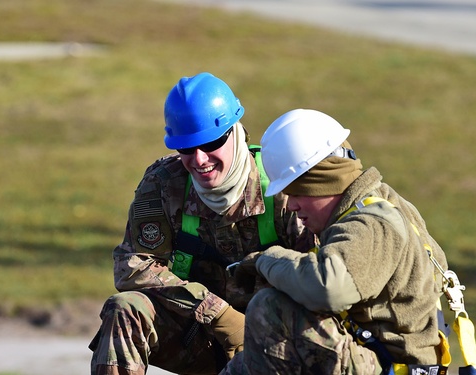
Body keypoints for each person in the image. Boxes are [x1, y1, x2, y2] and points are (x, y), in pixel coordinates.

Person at [89, 73, 312, 375]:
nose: (200, 159)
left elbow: (319, 280)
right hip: (197, 339)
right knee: (125, 309)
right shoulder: (164, 184)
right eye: (186, 148)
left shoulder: (281, 186)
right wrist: (217, 314)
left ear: (234, 131)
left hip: (275, 344)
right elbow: (132, 267)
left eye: (211, 142)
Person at [223, 108, 451, 375]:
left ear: (323, 181)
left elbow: (329, 287)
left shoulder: (371, 224)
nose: (292, 205)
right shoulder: (384, 202)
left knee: (271, 307)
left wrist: (266, 261)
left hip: (394, 366)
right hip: (385, 359)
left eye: (296, 192)